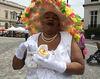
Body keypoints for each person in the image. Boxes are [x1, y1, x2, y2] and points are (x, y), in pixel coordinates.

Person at [12, 0, 84, 79]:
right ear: (42, 22)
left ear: (59, 24)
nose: (50, 19)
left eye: (55, 18)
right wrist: (20, 51)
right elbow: (16, 67)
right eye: (47, 17)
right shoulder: (32, 39)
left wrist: (56, 65)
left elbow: (80, 68)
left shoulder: (68, 39)